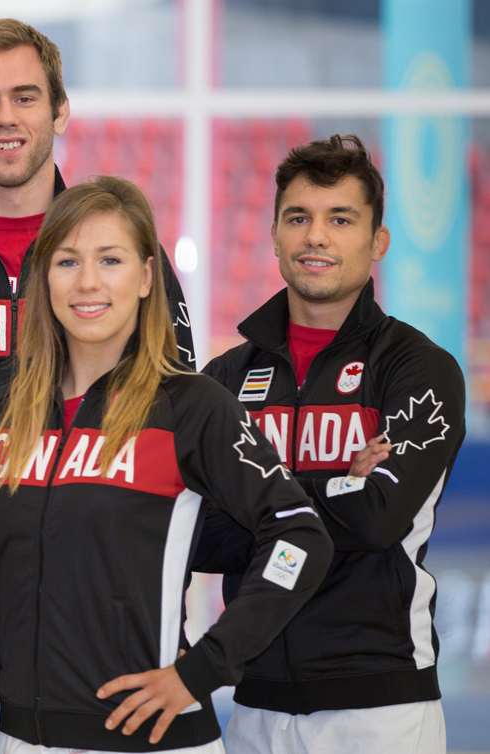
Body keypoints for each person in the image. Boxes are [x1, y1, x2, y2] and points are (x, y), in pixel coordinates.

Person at [0, 176, 334, 754]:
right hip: (19, 739)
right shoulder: (2, 409)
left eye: (110, 259)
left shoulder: (190, 406)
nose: (88, 282)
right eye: (67, 261)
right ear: (42, 278)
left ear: (147, 277)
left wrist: (203, 669)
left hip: (151, 741)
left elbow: (300, 537)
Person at [0, 25, 196, 746]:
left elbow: (175, 419)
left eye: (25, 97)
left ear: (59, 110)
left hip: (83, 599)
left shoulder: (123, 260)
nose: (6, 117)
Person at [194, 136, 464, 754]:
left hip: (381, 709)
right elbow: (195, 534)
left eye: (340, 220)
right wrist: (342, 482)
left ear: (377, 243)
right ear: (274, 234)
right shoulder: (225, 380)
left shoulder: (419, 370)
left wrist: (253, 500)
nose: (316, 237)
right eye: (299, 218)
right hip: (254, 706)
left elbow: (379, 518)